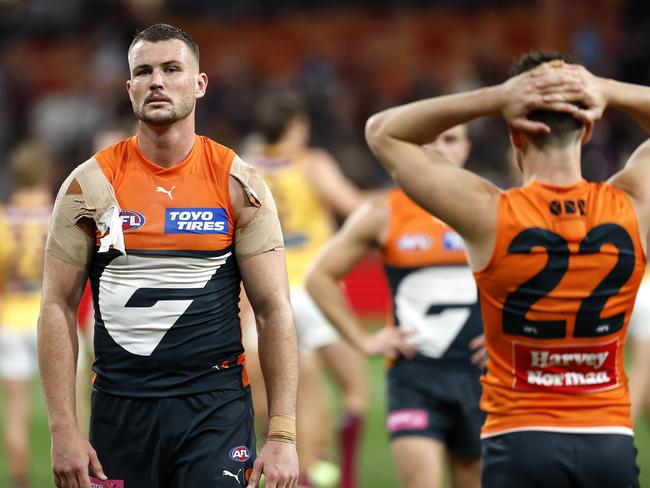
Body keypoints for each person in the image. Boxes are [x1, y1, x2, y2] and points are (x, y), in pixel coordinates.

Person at [365, 50, 650, 487]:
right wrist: (607, 90)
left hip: (519, 439)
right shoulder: (633, 206)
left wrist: (496, 98)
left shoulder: (487, 213)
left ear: (515, 134)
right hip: (608, 438)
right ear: (589, 126)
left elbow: (383, 132)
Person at [37, 23, 299, 488]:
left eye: (172, 69)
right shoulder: (88, 186)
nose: (156, 80)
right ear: (130, 88)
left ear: (199, 84)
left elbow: (273, 308)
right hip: (121, 411)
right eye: (144, 71)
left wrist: (282, 433)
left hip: (214, 409)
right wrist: (63, 429)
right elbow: (56, 304)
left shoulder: (238, 183)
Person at [306, 124, 486, 488]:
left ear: (466, 147)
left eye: (450, 140)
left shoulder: (492, 208)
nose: (439, 149)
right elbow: (319, 277)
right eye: (428, 141)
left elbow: (538, 277)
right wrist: (364, 341)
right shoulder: (385, 212)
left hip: (482, 379)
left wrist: (510, 334)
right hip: (414, 376)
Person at [241, 91, 368, 488]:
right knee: (354, 390)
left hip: (266, 291)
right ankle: (337, 475)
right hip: (314, 290)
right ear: (296, 128)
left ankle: (294, 473)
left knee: (282, 396)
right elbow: (355, 207)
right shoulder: (312, 164)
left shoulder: (247, 169)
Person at [0, 141, 54, 488]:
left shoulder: (3, 219)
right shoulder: (57, 214)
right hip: (51, 318)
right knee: (70, 412)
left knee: (16, 413)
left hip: (11, 318)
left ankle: (20, 483)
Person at [628, 268, 650, 423]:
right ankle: (618, 432)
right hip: (645, 290)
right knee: (642, 371)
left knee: (645, 382)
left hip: (632, 287)